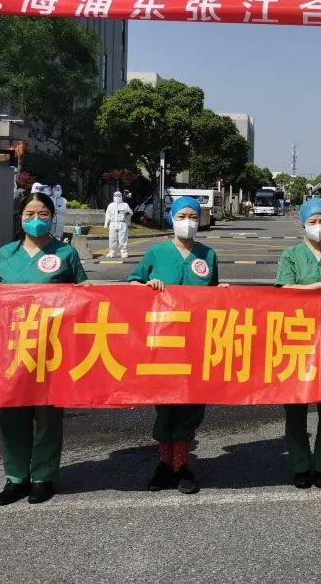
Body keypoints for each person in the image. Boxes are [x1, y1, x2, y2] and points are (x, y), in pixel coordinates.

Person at [0, 191, 88, 506]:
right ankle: (16, 478)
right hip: (13, 346)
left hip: (51, 348)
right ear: (20, 217)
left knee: (47, 416)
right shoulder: (6, 254)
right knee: (11, 414)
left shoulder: (65, 253)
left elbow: (84, 292)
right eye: (29, 214)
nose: (36, 219)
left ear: (52, 217)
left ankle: (43, 477)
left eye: (43, 214)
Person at [127, 196, 218, 494]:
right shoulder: (156, 252)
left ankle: (181, 465)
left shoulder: (208, 255)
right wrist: (146, 287)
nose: (188, 222)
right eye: (182, 216)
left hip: (196, 343)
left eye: (193, 216)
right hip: (163, 342)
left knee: (191, 404)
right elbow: (132, 285)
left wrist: (223, 294)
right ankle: (165, 464)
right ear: (172, 218)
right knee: (165, 401)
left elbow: (213, 296)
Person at [275, 197, 321, 490]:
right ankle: (300, 465)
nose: (319, 226)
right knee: (296, 408)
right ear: (303, 223)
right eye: (313, 221)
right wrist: (317, 287)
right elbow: (283, 291)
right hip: (297, 339)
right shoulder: (291, 255)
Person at [104, 190, 132, 259]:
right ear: (113, 197)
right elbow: (107, 215)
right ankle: (112, 252)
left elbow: (130, 212)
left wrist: (127, 214)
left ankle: (124, 252)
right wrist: (106, 223)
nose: (117, 198)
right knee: (112, 238)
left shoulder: (125, 205)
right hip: (113, 223)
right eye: (116, 196)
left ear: (121, 197)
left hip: (122, 223)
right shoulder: (111, 205)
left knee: (123, 238)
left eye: (119, 196)